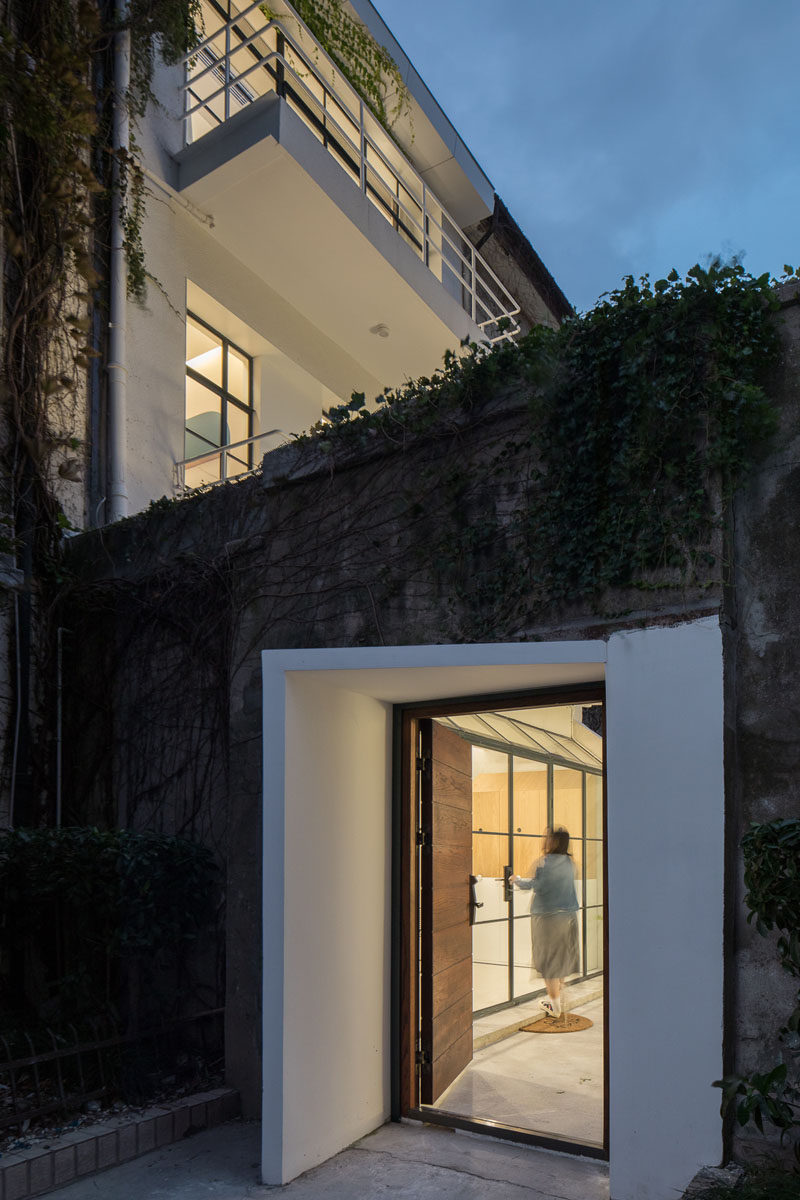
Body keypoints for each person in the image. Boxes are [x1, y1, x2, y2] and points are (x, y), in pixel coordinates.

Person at [510, 826, 579, 1018]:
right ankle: (558, 997)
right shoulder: (570, 863)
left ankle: (555, 1006)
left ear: (554, 841)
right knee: (562, 957)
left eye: (547, 837)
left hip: (548, 919)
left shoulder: (544, 863)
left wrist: (516, 879)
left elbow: (536, 885)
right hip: (569, 917)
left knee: (549, 961)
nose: (544, 839)